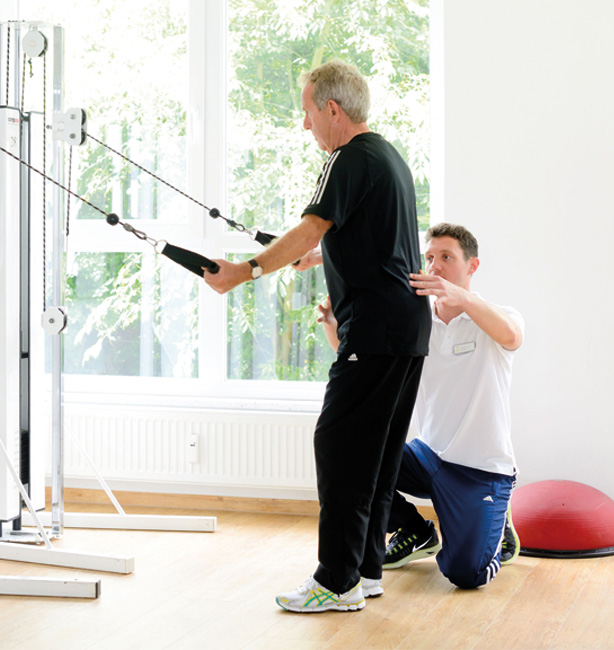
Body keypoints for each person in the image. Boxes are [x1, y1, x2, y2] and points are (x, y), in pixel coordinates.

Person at [203, 60, 431, 613]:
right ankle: (366, 571)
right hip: (406, 327)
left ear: (332, 109)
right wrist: (319, 255)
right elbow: (359, 236)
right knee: (374, 454)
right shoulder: (386, 156)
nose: (306, 126)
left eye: (308, 113)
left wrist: (243, 272)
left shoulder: (347, 157)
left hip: (374, 329)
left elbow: (313, 224)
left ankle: (336, 581)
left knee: (341, 447)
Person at [317, 223, 524, 590]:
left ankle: (496, 523)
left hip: (481, 470)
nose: (435, 266)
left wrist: (460, 298)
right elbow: (369, 364)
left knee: (467, 575)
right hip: (428, 458)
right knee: (354, 454)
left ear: (472, 266)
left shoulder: (494, 316)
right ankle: (415, 529)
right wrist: (334, 326)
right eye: (429, 258)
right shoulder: (417, 323)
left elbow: (512, 336)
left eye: (446, 257)